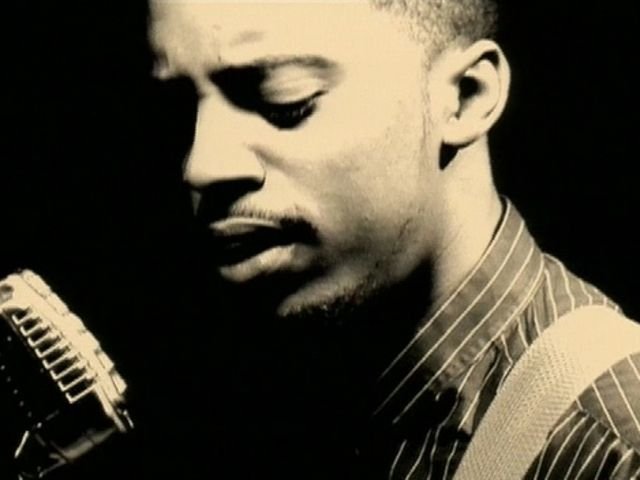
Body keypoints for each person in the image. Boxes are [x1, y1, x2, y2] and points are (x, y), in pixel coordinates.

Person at [147, 1, 640, 478]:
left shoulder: (611, 452)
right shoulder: (253, 397)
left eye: (286, 100)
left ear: (465, 97)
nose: (201, 166)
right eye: (177, 112)